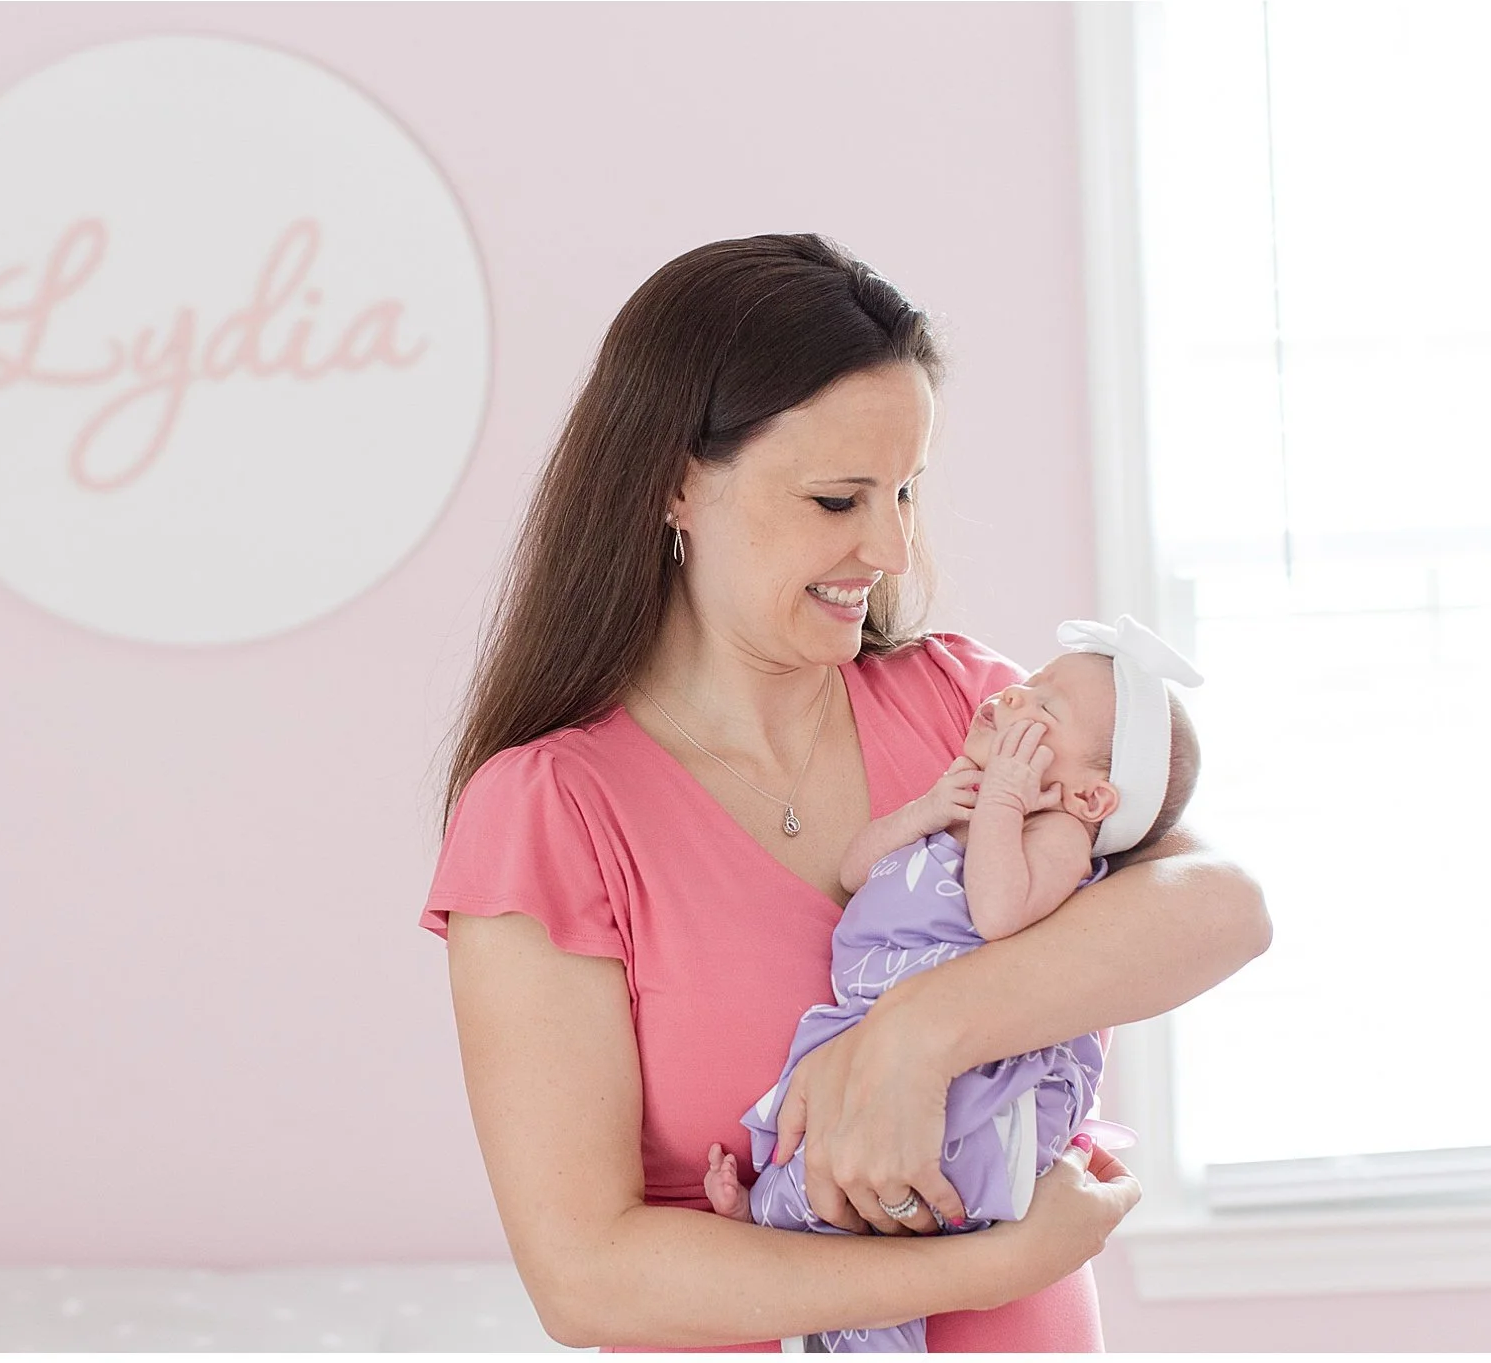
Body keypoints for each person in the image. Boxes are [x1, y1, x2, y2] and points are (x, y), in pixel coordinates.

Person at [419, 233, 1270, 1352]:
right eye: (836, 498)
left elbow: (1222, 907)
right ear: (673, 482)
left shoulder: (970, 710)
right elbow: (589, 1279)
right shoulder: (550, 811)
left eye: (906, 490)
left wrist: (916, 1035)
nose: (888, 545)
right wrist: (995, 1264)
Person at [703, 617, 1204, 1351]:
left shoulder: (1056, 838)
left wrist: (1000, 802)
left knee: (905, 1167)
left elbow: (998, 914)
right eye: (1026, 685)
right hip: (867, 1019)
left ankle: (834, 1268)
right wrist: (931, 809)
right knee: (820, 1132)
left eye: (1045, 712)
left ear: (1091, 798)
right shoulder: (969, 805)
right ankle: (777, 1217)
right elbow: (854, 871)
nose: (1010, 700)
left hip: (972, 1080)